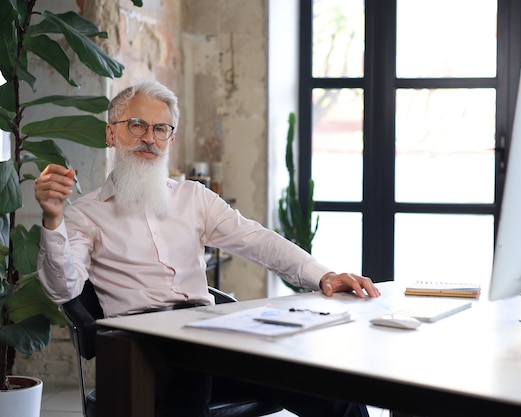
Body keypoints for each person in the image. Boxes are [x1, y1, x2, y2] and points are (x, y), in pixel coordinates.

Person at [35, 80, 380, 417]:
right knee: (187, 377)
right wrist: (53, 219)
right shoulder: (84, 214)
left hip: (210, 333)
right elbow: (62, 288)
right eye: (137, 125)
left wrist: (324, 276)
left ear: (170, 139)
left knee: (328, 385)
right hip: (143, 345)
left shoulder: (194, 197)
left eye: (160, 129)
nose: (149, 139)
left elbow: (257, 240)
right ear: (112, 133)